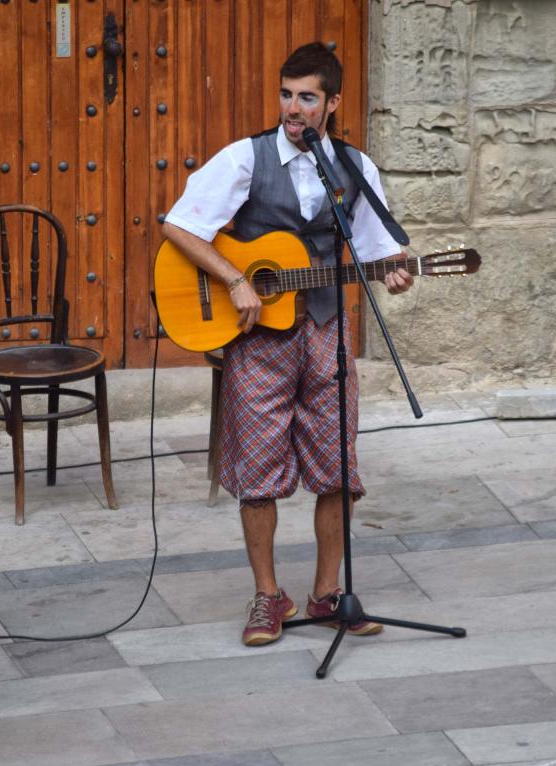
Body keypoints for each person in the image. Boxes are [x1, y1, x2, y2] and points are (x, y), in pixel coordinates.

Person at [163, 42, 413, 647]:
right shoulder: (245, 159)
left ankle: (328, 594)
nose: (293, 108)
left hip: (328, 333)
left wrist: (397, 272)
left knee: (338, 469)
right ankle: (267, 596)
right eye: (286, 94)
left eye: (306, 98)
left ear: (332, 102)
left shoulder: (353, 167)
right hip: (259, 342)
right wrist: (235, 280)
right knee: (257, 471)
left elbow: (381, 251)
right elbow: (178, 226)